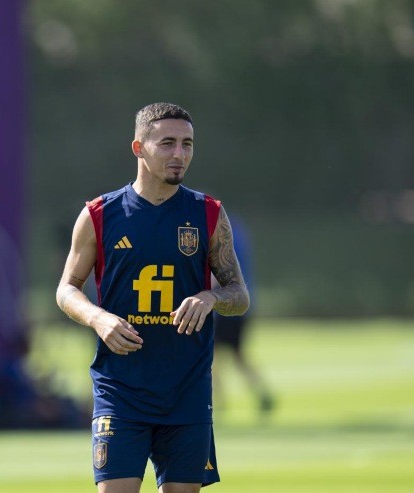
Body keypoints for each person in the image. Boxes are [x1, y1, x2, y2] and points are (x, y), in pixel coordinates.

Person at [56, 102, 249, 493]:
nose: (179, 154)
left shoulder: (208, 214)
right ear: (138, 148)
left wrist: (210, 298)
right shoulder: (99, 214)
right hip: (121, 389)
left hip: (187, 391)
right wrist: (98, 318)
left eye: (187, 144)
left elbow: (239, 295)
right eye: (167, 143)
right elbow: (66, 289)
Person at [212, 215, 274, 416]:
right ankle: (260, 390)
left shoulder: (216, 232)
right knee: (237, 354)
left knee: (210, 354)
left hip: (223, 304)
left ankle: (217, 402)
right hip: (243, 302)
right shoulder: (237, 230)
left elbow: (218, 269)